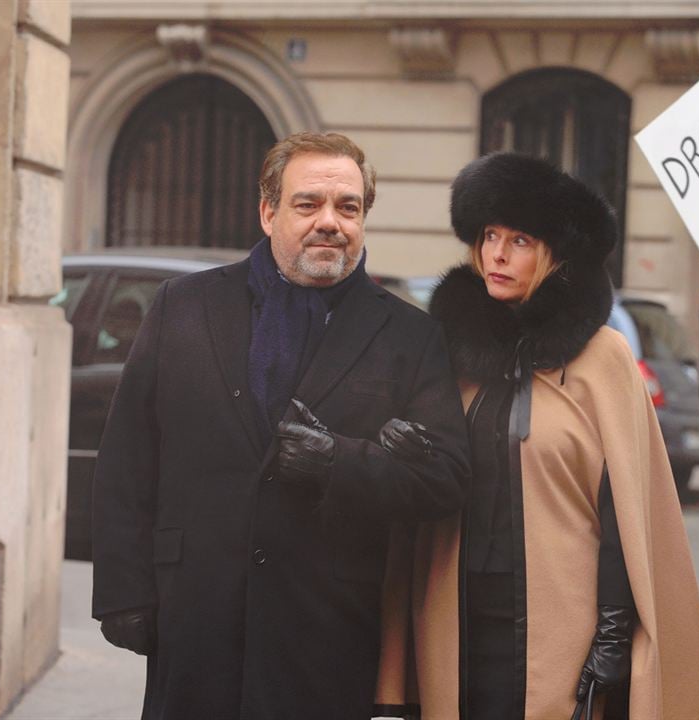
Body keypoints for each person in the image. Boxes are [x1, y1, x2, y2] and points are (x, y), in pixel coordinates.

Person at [90, 132, 470, 720]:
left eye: (348, 207)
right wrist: (122, 591)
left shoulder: (410, 338)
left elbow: (446, 477)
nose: (329, 222)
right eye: (307, 203)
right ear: (268, 212)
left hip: (328, 636)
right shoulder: (182, 306)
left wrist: (338, 461)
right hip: (193, 619)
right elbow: (127, 460)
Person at [399, 152, 699, 720]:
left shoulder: (604, 360)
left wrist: (613, 640)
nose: (496, 254)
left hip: (562, 634)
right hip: (456, 625)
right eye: (488, 235)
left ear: (553, 255)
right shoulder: (451, 356)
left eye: (519, 240)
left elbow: (626, 514)